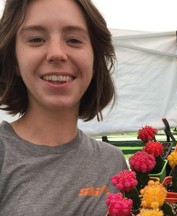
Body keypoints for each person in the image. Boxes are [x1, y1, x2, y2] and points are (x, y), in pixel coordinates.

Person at [0, 0, 128, 215]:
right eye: (36, 39)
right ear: (14, 61)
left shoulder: (112, 163)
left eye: (74, 40)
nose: (57, 53)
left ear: (95, 61)